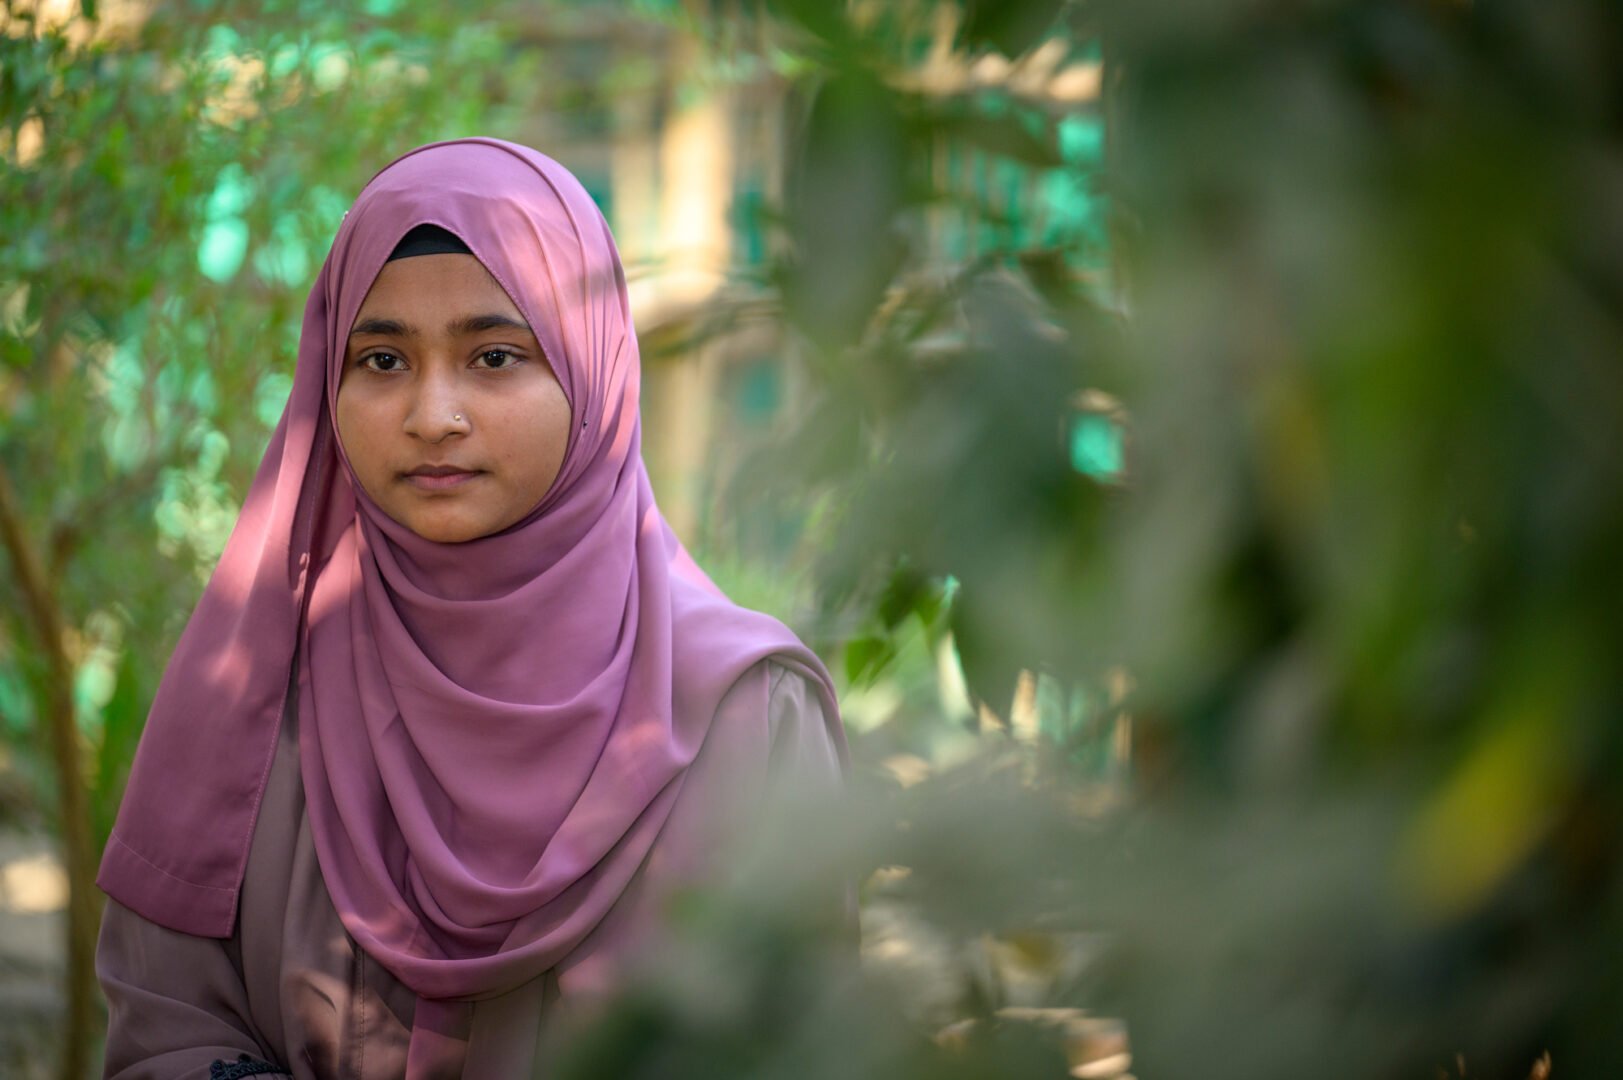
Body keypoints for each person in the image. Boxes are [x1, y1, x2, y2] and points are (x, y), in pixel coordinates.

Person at [94, 138, 846, 1079]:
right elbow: (165, 1028)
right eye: (380, 359)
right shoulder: (254, 691)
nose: (432, 414)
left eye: (493, 355)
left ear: (593, 371)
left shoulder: (744, 711)